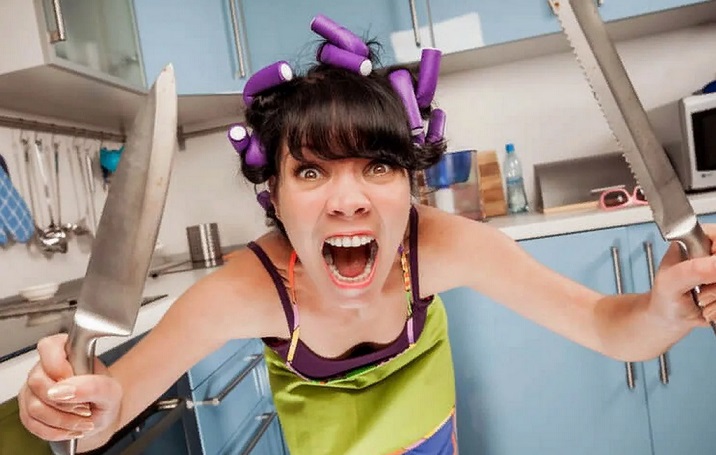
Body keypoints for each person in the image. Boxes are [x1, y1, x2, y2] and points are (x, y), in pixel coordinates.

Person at [16, 15, 716, 455]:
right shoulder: (246, 291)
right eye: (311, 171)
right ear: (275, 197)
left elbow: (606, 327)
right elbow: (106, 410)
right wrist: (70, 410)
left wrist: (662, 311)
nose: (349, 200)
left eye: (378, 165)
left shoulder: (440, 245)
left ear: (410, 184)